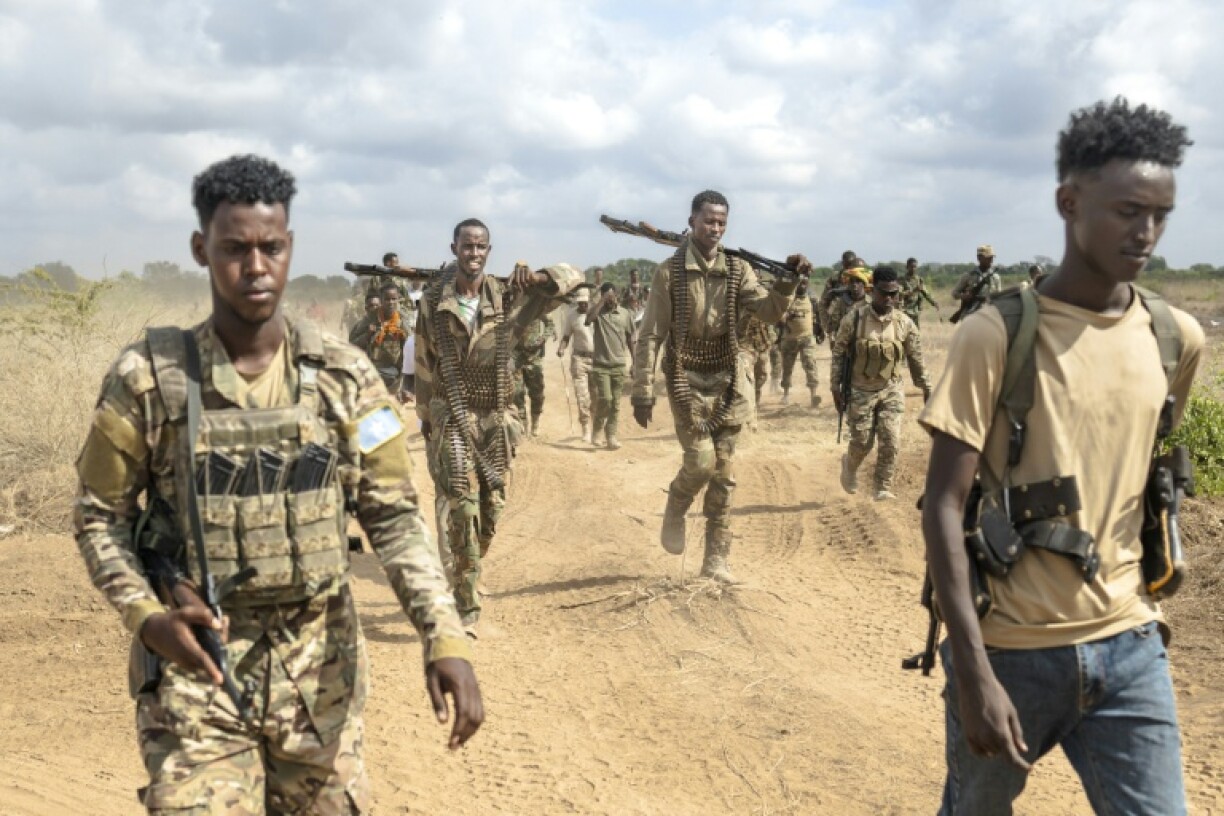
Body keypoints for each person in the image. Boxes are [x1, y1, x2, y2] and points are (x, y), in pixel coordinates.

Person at [72, 155, 482, 813]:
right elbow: (99, 517)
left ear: (289, 249)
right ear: (202, 249)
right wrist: (147, 617)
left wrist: (444, 635)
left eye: (271, 247)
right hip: (195, 672)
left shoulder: (345, 379)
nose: (255, 267)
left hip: (319, 676)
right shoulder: (149, 380)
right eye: (235, 248)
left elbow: (396, 518)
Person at [919, 97, 1201, 815]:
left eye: (1160, 215)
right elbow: (944, 508)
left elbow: (1149, 473)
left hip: (1131, 642)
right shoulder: (994, 336)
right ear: (1068, 202)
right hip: (1010, 650)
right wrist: (974, 672)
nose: (1146, 233)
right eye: (1127, 211)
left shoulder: (1175, 338)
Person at [631, 190, 809, 582]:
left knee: (724, 476)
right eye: (709, 221)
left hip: (729, 380)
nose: (715, 229)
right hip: (685, 380)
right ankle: (677, 503)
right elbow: (650, 335)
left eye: (722, 223)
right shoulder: (669, 271)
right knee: (699, 463)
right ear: (692, 221)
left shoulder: (738, 270)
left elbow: (769, 311)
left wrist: (788, 283)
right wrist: (642, 389)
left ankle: (715, 559)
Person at [415, 218, 580, 632]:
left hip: (497, 417)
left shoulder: (511, 295)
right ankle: (466, 606)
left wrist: (540, 276)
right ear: (454, 248)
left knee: (492, 511)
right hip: (453, 413)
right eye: (467, 246)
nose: (474, 254)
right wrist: (424, 417)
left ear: (490, 251)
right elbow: (424, 361)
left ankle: (465, 564)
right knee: (464, 507)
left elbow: (575, 281)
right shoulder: (433, 301)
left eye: (481, 247)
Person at [831, 266, 931, 501]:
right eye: (884, 293)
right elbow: (839, 352)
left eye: (894, 294)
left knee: (890, 440)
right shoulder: (854, 319)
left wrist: (927, 388)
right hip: (860, 390)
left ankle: (882, 487)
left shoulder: (904, 323)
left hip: (891, 389)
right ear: (871, 290)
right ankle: (849, 466)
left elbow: (916, 359)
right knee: (862, 442)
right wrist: (835, 386)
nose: (889, 299)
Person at [586, 282, 636, 450]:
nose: (609, 299)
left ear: (617, 295)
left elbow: (630, 339)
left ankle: (611, 436)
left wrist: (634, 362)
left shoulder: (625, 314)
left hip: (619, 365)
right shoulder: (598, 313)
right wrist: (600, 302)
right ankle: (597, 430)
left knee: (615, 403)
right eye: (606, 296)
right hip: (601, 365)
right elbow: (588, 320)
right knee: (605, 399)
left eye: (611, 296)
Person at [349, 278, 410, 395]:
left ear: (398, 299)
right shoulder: (370, 319)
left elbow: (412, 347)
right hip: (373, 371)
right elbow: (352, 344)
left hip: (396, 374)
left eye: (394, 299)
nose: (391, 302)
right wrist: (368, 334)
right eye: (387, 299)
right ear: (381, 300)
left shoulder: (403, 320)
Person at [556, 288, 595, 442]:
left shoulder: (597, 313)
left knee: (597, 396)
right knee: (582, 397)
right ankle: (586, 428)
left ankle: (597, 427)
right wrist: (561, 348)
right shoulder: (571, 316)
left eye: (585, 302)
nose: (583, 305)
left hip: (597, 360)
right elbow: (566, 336)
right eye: (581, 302)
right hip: (579, 359)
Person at [778, 274, 821, 407]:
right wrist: (786, 317)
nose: (802, 286)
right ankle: (785, 394)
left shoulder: (812, 299)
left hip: (807, 338)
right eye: (799, 283)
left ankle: (814, 395)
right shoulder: (787, 298)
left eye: (804, 283)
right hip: (789, 339)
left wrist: (820, 331)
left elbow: (819, 316)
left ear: (807, 284)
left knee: (810, 365)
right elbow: (778, 318)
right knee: (787, 367)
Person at [512, 315, 556, 438]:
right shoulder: (514, 307)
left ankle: (535, 423)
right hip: (516, 357)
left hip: (534, 358)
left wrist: (543, 338)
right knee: (517, 394)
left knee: (537, 394)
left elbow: (550, 324)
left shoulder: (536, 306)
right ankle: (523, 427)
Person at [951, 244, 1002, 318]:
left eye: (992, 257)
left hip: (989, 315)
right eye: (988, 257)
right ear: (979, 258)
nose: (991, 260)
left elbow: (999, 297)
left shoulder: (995, 277)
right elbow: (954, 293)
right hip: (970, 315)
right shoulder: (968, 276)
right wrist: (964, 296)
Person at [825, 266, 871, 334]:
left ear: (864, 284)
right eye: (852, 281)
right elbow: (832, 326)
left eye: (858, 281)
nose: (854, 284)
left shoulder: (871, 303)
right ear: (848, 284)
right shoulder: (841, 302)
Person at [900, 257, 940, 327]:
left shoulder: (918, 279)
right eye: (911, 267)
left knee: (915, 332)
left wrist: (933, 303)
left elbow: (925, 293)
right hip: (905, 309)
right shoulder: (902, 280)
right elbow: (900, 294)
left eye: (915, 267)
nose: (913, 269)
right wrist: (913, 291)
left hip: (915, 310)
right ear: (907, 267)